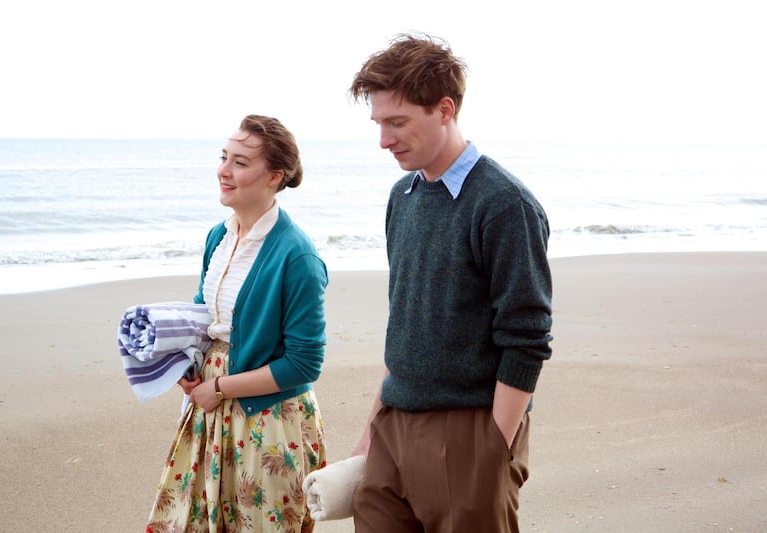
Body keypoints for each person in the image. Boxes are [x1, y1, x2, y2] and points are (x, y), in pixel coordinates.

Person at [348, 33, 553, 532]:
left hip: (469, 428)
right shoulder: (403, 196)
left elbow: (526, 337)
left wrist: (491, 449)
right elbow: (408, 322)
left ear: (444, 109)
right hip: (394, 423)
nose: (384, 139)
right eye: (379, 123)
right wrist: (372, 429)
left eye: (397, 122)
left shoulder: (504, 204)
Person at [145, 115, 329, 532]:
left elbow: (304, 364)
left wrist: (219, 388)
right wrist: (186, 369)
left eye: (241, 162)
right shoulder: (219, 236)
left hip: (265, 418)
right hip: (208, 408)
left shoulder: (296, 256)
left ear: (274, 175)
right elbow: (205, 315)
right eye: (224, 157)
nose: (223, 171)